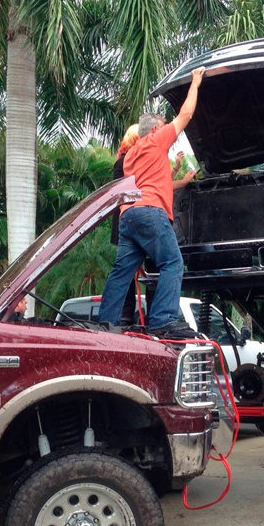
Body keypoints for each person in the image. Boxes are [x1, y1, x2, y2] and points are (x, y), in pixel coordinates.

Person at [98, 67, 205, 337]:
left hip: (128, 218)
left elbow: (155, 182)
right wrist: (195, 82)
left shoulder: (131, 155)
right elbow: (186, 114)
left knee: (122, 271)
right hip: (150, 212)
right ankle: (163, 321)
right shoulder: (157, 141)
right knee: (173, 263)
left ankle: (106, 322)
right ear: (156, 129)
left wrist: (181, 173)